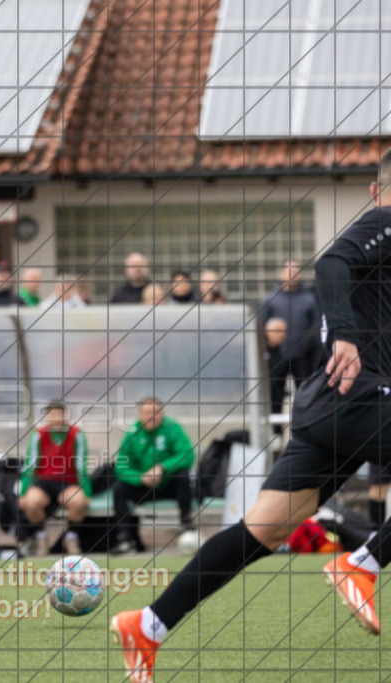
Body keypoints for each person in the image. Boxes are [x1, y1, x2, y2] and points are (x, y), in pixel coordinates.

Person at [109, 149, 391, 681]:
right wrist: (349, 339)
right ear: (379, 196)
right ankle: (364, 562)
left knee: (257, 532)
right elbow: (330, 261)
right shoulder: (385, 221)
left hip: (327, 407)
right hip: (355, 397)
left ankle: (149, 624)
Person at [111, 398, 195, 554]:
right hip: (144, 487)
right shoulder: (132, 433)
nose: (151, 416)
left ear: (162, 414)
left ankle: (186, 523)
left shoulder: (172, 428)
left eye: (155, 412)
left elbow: (187, 455)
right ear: (140, 415)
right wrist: (140, 477)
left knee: (184, 475)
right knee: (119, 488)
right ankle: (125, 539)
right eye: (147, 413)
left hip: (168, 486)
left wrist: (162, 468)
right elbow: (121, 467)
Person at [16, 402, 90, 556]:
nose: (57, 419)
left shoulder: (77, 434)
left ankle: (71, 538)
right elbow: (30, 464)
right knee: (32, 502)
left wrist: (87, 492)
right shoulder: (39, 434)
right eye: (53, 415)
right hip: (43, 482)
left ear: (66, 416)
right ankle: (41, 537)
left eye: (60, 415)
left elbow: (81, 465)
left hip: (68, 482)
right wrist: (23, 493)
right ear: (47, 417)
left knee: (78, 501)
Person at [258, 259, 323, 386]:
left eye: (295, 271)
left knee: (305, 395)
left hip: (303, 358)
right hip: (276, 357)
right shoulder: (270, 299)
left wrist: (306, 347)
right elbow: (261, 327)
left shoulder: (309, 299)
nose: (292, 274)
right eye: (289, 271)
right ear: (281, 274)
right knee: (275, 396)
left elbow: (316, 327)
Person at [263, 318, 290, 424]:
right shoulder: (260, 353)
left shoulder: (282, 354)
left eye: (284, 331)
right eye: (278, 331)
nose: (282, 335)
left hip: (277, 402)